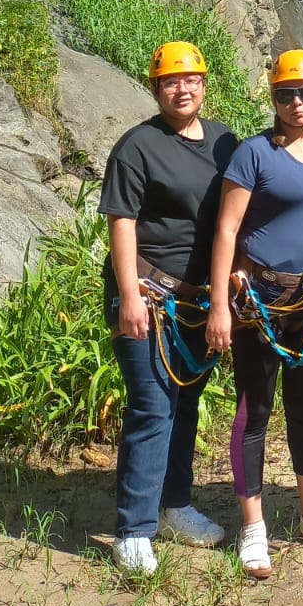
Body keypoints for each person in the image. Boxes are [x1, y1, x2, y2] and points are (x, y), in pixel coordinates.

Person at [205, 50, 303, 579]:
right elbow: (226, 230)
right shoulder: (253, 154)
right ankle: (253, 528)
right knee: (254, 410)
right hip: (258, 302)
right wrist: (222, 305)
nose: (297, 102)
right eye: (285, 94)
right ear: (273, 99)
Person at [102, 41, 235, 575]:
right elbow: (121, 220)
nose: (182, 89)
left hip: (199, 300)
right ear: (156, 89)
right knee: (152, 407)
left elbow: (244, 204)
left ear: (204, 84)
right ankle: (133, 530)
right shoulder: (136, 146)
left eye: (191, 80)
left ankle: (175, 504)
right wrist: (130, 294)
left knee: (184, 404)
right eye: (170, 82)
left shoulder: (226, 141)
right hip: (148, 295)